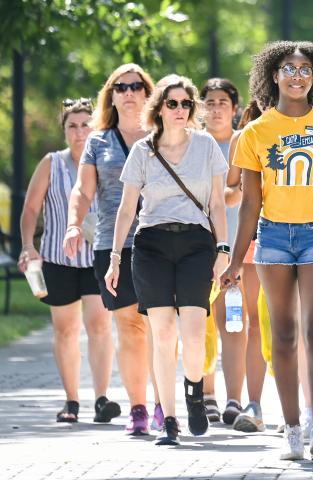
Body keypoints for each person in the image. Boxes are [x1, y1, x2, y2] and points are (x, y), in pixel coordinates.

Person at [219, 41, 313, 461]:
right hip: (272, 238)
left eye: (305, 69)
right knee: (281, 334)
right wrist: (235, 260)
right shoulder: (254, 132)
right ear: (274, 75)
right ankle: (293, 430)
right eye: (289, 68)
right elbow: (250, 202)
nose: (297, 76)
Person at [105, 74, 229, 445]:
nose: (179, 110)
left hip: (195, 244)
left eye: (186, 104)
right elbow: (127, 209)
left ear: (193, 109)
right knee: (162, 335)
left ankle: (193, 391)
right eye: (172, 103)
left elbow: (219, 205)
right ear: (158, 108)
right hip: (151, 245)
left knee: (192, 336)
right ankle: (169, 421)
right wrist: (114, 258)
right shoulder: (143, 150)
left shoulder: (206, 146)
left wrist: (223, 249)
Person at [63, 63, 159, 435]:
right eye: (121, 87)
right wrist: (74, 224)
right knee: (131, 325)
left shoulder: (164, 135)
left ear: (148, 92)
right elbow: (84, 191)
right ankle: (139, 407)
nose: (130, 92)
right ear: (111, 95)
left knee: (160, 326)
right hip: (113, 245)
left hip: (162, 240)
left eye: (137, 85)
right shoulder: (98, 141)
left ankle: (165, 405)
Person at [18, 98, 118, 424]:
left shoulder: (105, 161)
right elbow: (31, 209)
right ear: (64, 130)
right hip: (57, 259)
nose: (79, 132)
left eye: (85, 124)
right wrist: (27, 247)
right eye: (72, 126)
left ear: (96, 126)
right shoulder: (52, 164)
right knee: (65, 330)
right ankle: (71, 401)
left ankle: (102, 399)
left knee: (100, 325)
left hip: (96, 257)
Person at [199, 78, 246, 426]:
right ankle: (207, 394)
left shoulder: (242, 144)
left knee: (233, 323)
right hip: (198, 248)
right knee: (201, 325)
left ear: (234, 108)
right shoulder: (192, 145)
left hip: (237, 250)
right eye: (209, 102)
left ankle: (234, 399)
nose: (215, 109)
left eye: (222, 102)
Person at [227, 99, 269, 433]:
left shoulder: (312, 129)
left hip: (304, 234)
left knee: (295, 326)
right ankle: (254, 404)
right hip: (258, 239)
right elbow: (229, 191)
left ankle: (307, 409)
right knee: (255, 323)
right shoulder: (245, 137)